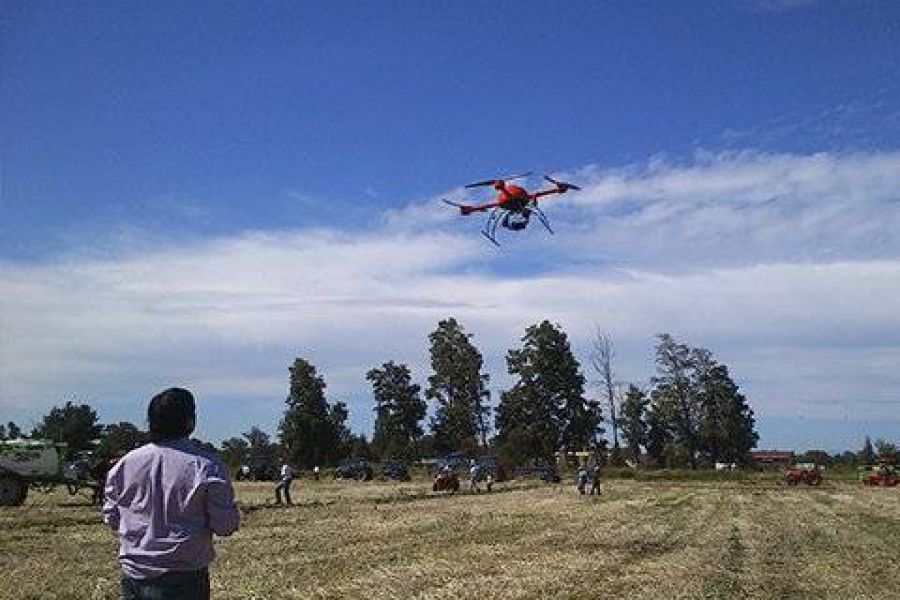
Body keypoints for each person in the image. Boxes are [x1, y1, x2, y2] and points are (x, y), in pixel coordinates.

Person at [103, 388, 239, 600]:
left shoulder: (124, 464)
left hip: (133, 574)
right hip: (183, 577)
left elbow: (112, 518)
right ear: (190, 421)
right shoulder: (206, 467)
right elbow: (225, 526)